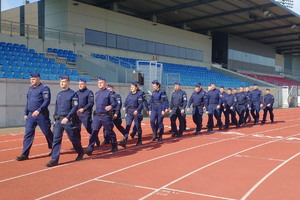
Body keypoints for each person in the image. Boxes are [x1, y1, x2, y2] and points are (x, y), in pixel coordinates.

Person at [45, 75, 84, 167]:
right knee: (56, 140)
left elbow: (75, 107)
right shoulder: (59, 94)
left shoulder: (73, 94)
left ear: (68, 82)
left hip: (68, 120)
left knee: (73, 138)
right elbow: (56, 107)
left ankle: (80, 151)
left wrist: (67, 117)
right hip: (59, 120)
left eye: (64, 81)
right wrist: (55, 119)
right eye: (61, 82)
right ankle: (54, 159)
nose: (62, 83)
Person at [16, 73, 53, 161]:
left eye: (33, 79)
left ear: (38, 79)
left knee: (47, 132)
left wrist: (39, 110)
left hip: (41, 115)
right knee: (28, 133)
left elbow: (46, 101)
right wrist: (26, 113)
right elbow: (28, 102)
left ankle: (54, 148)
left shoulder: (44, 88)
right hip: (30, 115)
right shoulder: (30, 89)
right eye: (31, 79)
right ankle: (25, 154)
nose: (32, 81)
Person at [85, 77, 118, 156]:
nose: (100, 84)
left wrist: (111, 106)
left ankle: (114, 146)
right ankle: (90, 148)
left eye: (101, 83)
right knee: (94, 132)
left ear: (105, 83)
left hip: (106, 117)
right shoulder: (97, 93)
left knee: (109, 131)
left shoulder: (109, 93)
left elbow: (115, 103)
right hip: (97, 117)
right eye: (98, 83)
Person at [76, 78, 100, 146]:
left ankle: (95, 138)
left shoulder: (89, 92)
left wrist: (83, 109)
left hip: (85, 114)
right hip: (77, 114)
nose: (80, 85)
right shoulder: (76, 93)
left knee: (89, 128)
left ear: (85, 84)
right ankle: (78, 145)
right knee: (77, 130)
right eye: (79, 84)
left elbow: (91, 103)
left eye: (81, 84)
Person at [119, 82, 143, 148]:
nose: (131, 88)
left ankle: (139, 140)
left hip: (135, 111)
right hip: (129, 111)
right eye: (131, 87)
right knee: (127, 126)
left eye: (133, 87)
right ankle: (124, 141)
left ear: (136, 87)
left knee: (138, 126)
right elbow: (126, 101)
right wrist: (124, 107)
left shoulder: (139, 94)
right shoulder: (130, 94)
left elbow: (141, 104)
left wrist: (137, 110)